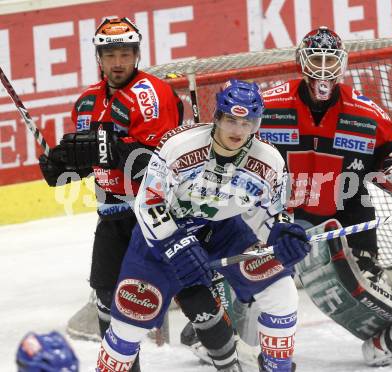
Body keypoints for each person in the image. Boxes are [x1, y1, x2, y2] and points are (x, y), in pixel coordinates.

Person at [94, 79, 310, 372]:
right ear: (217, 117)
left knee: (282, 293)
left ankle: (276, 368)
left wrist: (286, 232)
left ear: (256, 124)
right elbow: (148, 203)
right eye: (231, 120)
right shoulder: (179, 146)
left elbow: (280, 209)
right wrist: (175, 243)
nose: (238, 130)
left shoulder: (269, 159)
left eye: (247, 123)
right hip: (160, 238)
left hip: (223, 232)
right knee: (129, 324)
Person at [260, 26, 392, 366]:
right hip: (282, 217)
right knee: (251, 278)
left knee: (362, 284)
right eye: (316, 57)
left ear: (342, 63)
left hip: (347, 216)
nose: (323, 67)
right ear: (301, 60)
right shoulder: (268, 104)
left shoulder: (366, 113)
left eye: (329, 58)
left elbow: (390, 156)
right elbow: (232, 139)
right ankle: (219, 326)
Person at [38, 17, 183, 371]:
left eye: (124, 54)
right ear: (98, 57)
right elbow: (91, 158)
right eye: (110, 55)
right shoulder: (86, 102)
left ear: (136, 54)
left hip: (155, 212)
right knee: (106, 297)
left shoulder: (153, 94)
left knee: (188, 291)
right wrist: (63, 165)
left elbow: (152, 162)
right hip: (111, 213)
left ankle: (225, 356)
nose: (118, 63)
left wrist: (108, 147)